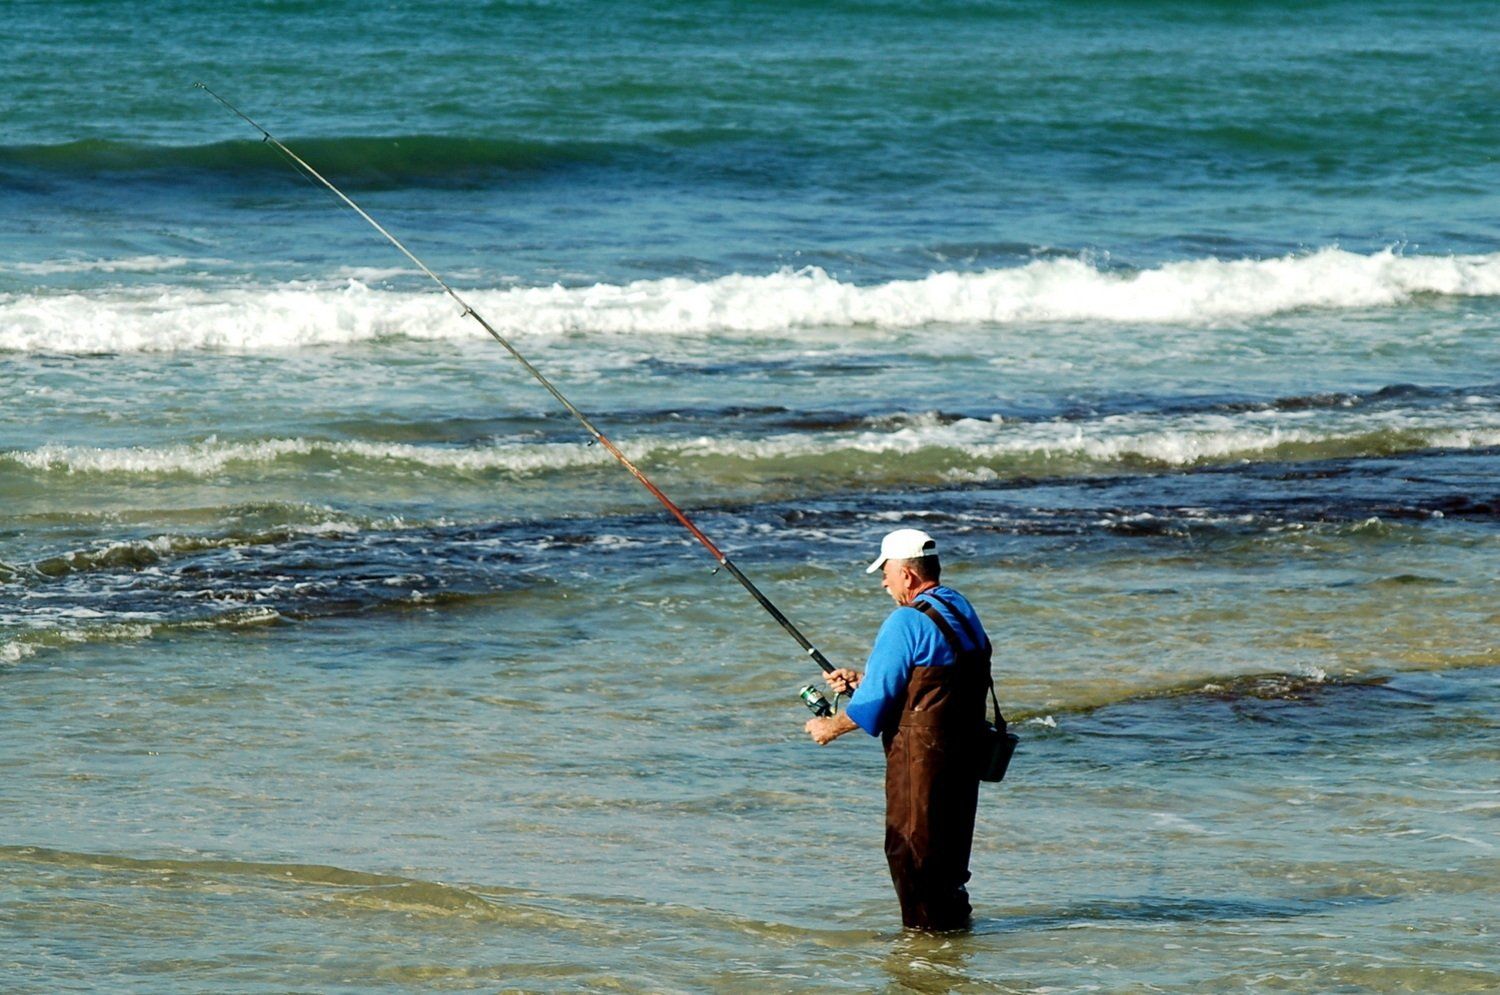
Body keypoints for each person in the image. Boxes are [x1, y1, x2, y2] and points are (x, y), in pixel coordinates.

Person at [805, 528, 992, 931]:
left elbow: (871, 708)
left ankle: (924, 954)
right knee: (949, 854)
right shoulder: (960, 607)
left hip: (920, 759)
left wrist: (829, 727)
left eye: (886, 572)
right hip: (964, 753)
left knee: (910, 851)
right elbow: (938, 674)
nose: (883, 581)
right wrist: (864, 678)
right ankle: (953, 936)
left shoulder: (904, 620)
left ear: (908, 575)